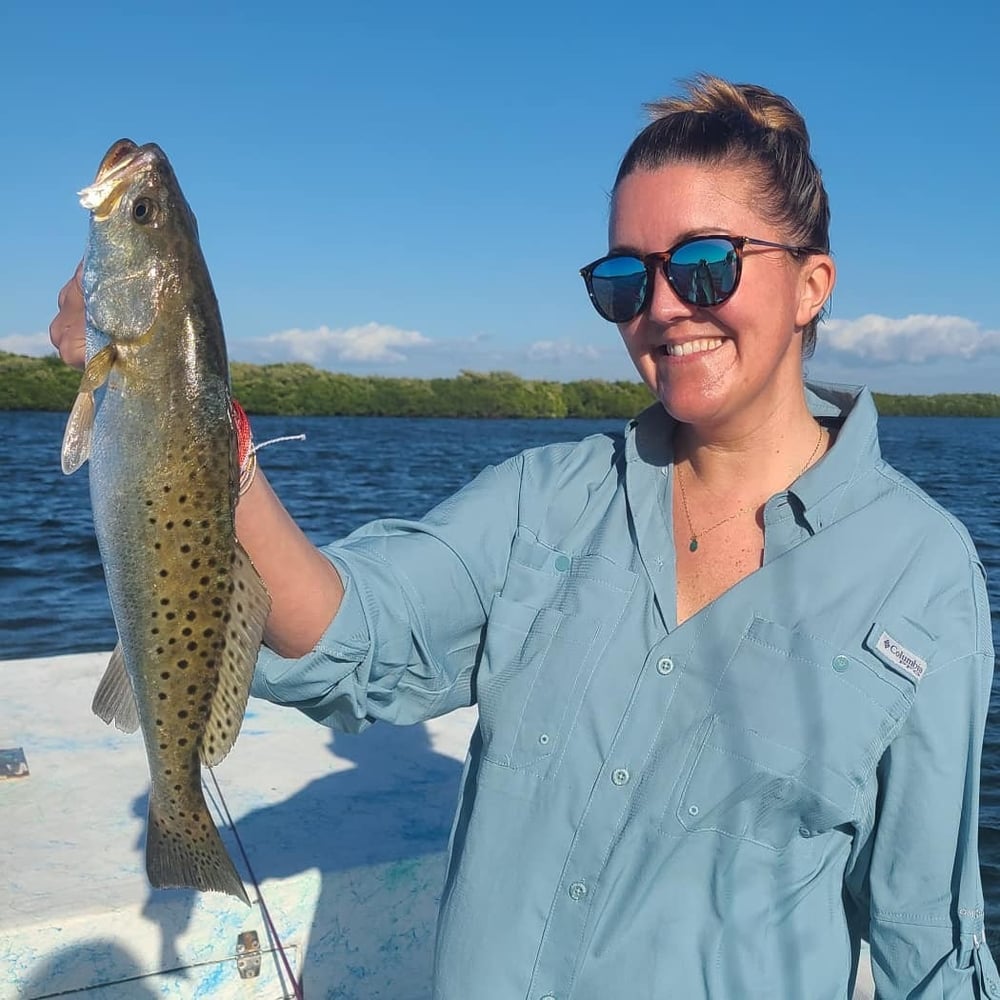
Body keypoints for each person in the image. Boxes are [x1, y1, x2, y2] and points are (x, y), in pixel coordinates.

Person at [51, 74, 999, 999]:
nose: (664, 307)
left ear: (811, 285)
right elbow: (345, 637)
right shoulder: (542, 501)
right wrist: (182, 414)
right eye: (625, 280)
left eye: (706, 263)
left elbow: (927, 931)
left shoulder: (921, 572)